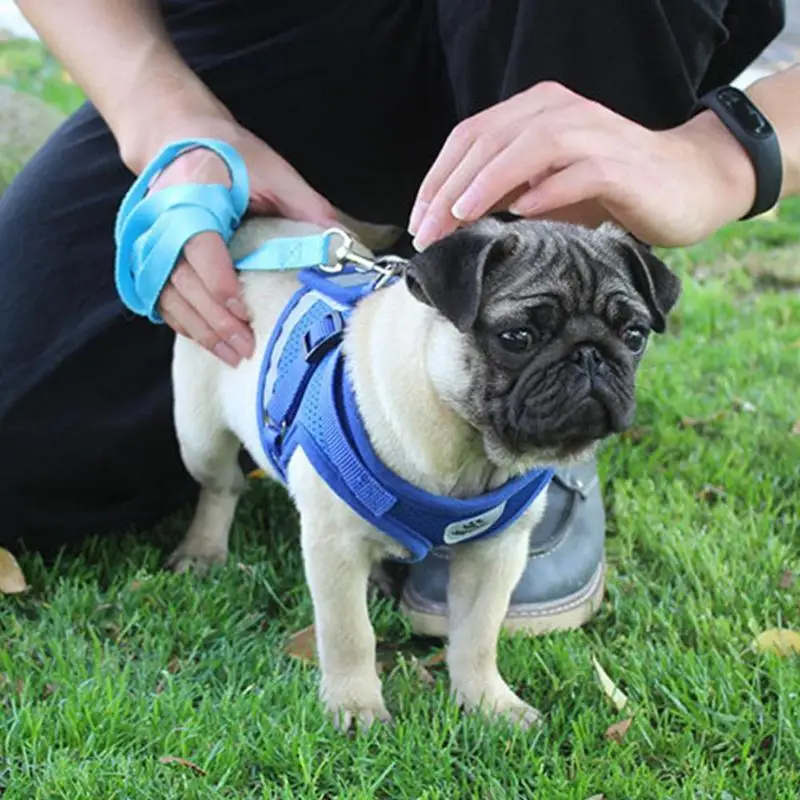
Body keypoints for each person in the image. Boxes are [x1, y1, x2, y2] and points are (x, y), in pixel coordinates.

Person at [0, 0, 792, 636]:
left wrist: (724, 153)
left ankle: (544, 451)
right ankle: (390, 269)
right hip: (275, 38)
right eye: (525, 333)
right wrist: (169, 121)